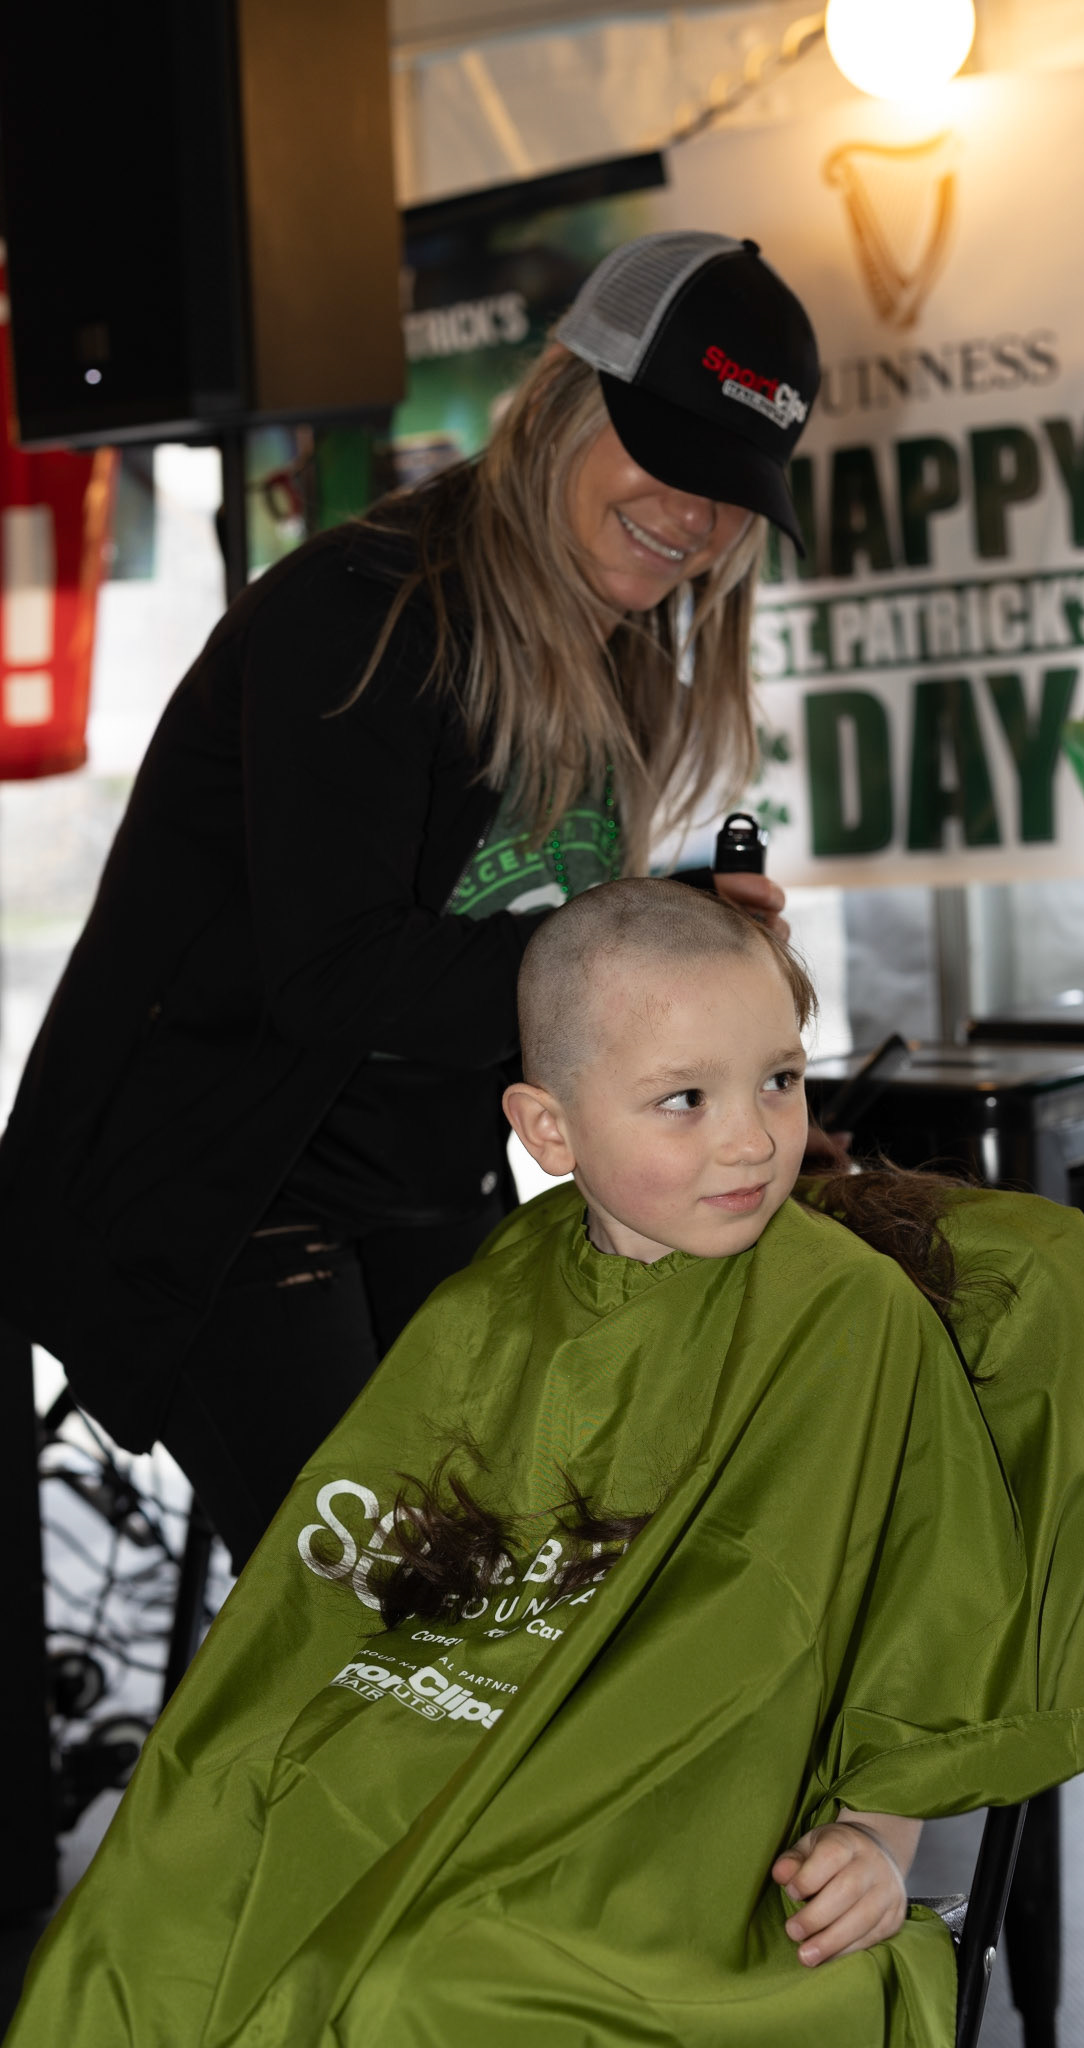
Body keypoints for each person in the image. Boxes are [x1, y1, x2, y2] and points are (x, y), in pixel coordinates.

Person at [5, 881, 1084, 2048]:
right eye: (685, 1100)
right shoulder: (492, 1301)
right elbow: (356, 1590)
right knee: (152, 1914)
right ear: (549, 1129)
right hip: (467, 1741)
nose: (750, 1139)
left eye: (780, 1080)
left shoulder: (844, 1317)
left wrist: (878, 1837)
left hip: (675, 1818)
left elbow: (916, 1608)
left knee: (429, 1988)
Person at [0, 232, 819, 1571]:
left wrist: (683, 928)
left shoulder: (617, 646)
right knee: (386, 1621)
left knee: (523, 1579)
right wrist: (636, 971)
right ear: (561, 400)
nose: (694, 517)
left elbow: (506, 918)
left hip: (412, 1174)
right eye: (665, 454)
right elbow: (336, 970)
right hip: (219, 1186)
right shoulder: (364, 611)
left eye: (731, 491)